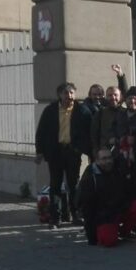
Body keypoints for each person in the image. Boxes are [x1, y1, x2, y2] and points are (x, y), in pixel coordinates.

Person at [34, 82, 92, 227]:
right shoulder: (50, 110)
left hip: (73, 152)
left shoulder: (82, 111)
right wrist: (40, 151)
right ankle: (55, 217)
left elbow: (89, 132)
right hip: (55, 152)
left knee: (73, 185)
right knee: (55, 185)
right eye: (66, 93)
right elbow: (41, 132)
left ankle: (75, 215)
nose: (69, 96)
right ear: (59, 95)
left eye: (72, 92)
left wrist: (82, 149)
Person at [76, 148, 136, 247]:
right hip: (102, 216)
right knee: (108, 241)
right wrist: (91, 236)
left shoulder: (118, 170)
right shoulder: (90, 177)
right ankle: (106, 231)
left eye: (110, 158)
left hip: (119, 209)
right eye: (104, 158)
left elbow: (129, 189)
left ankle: (124, 232)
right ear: (97, 160)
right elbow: (86, 206)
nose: (108, 161)